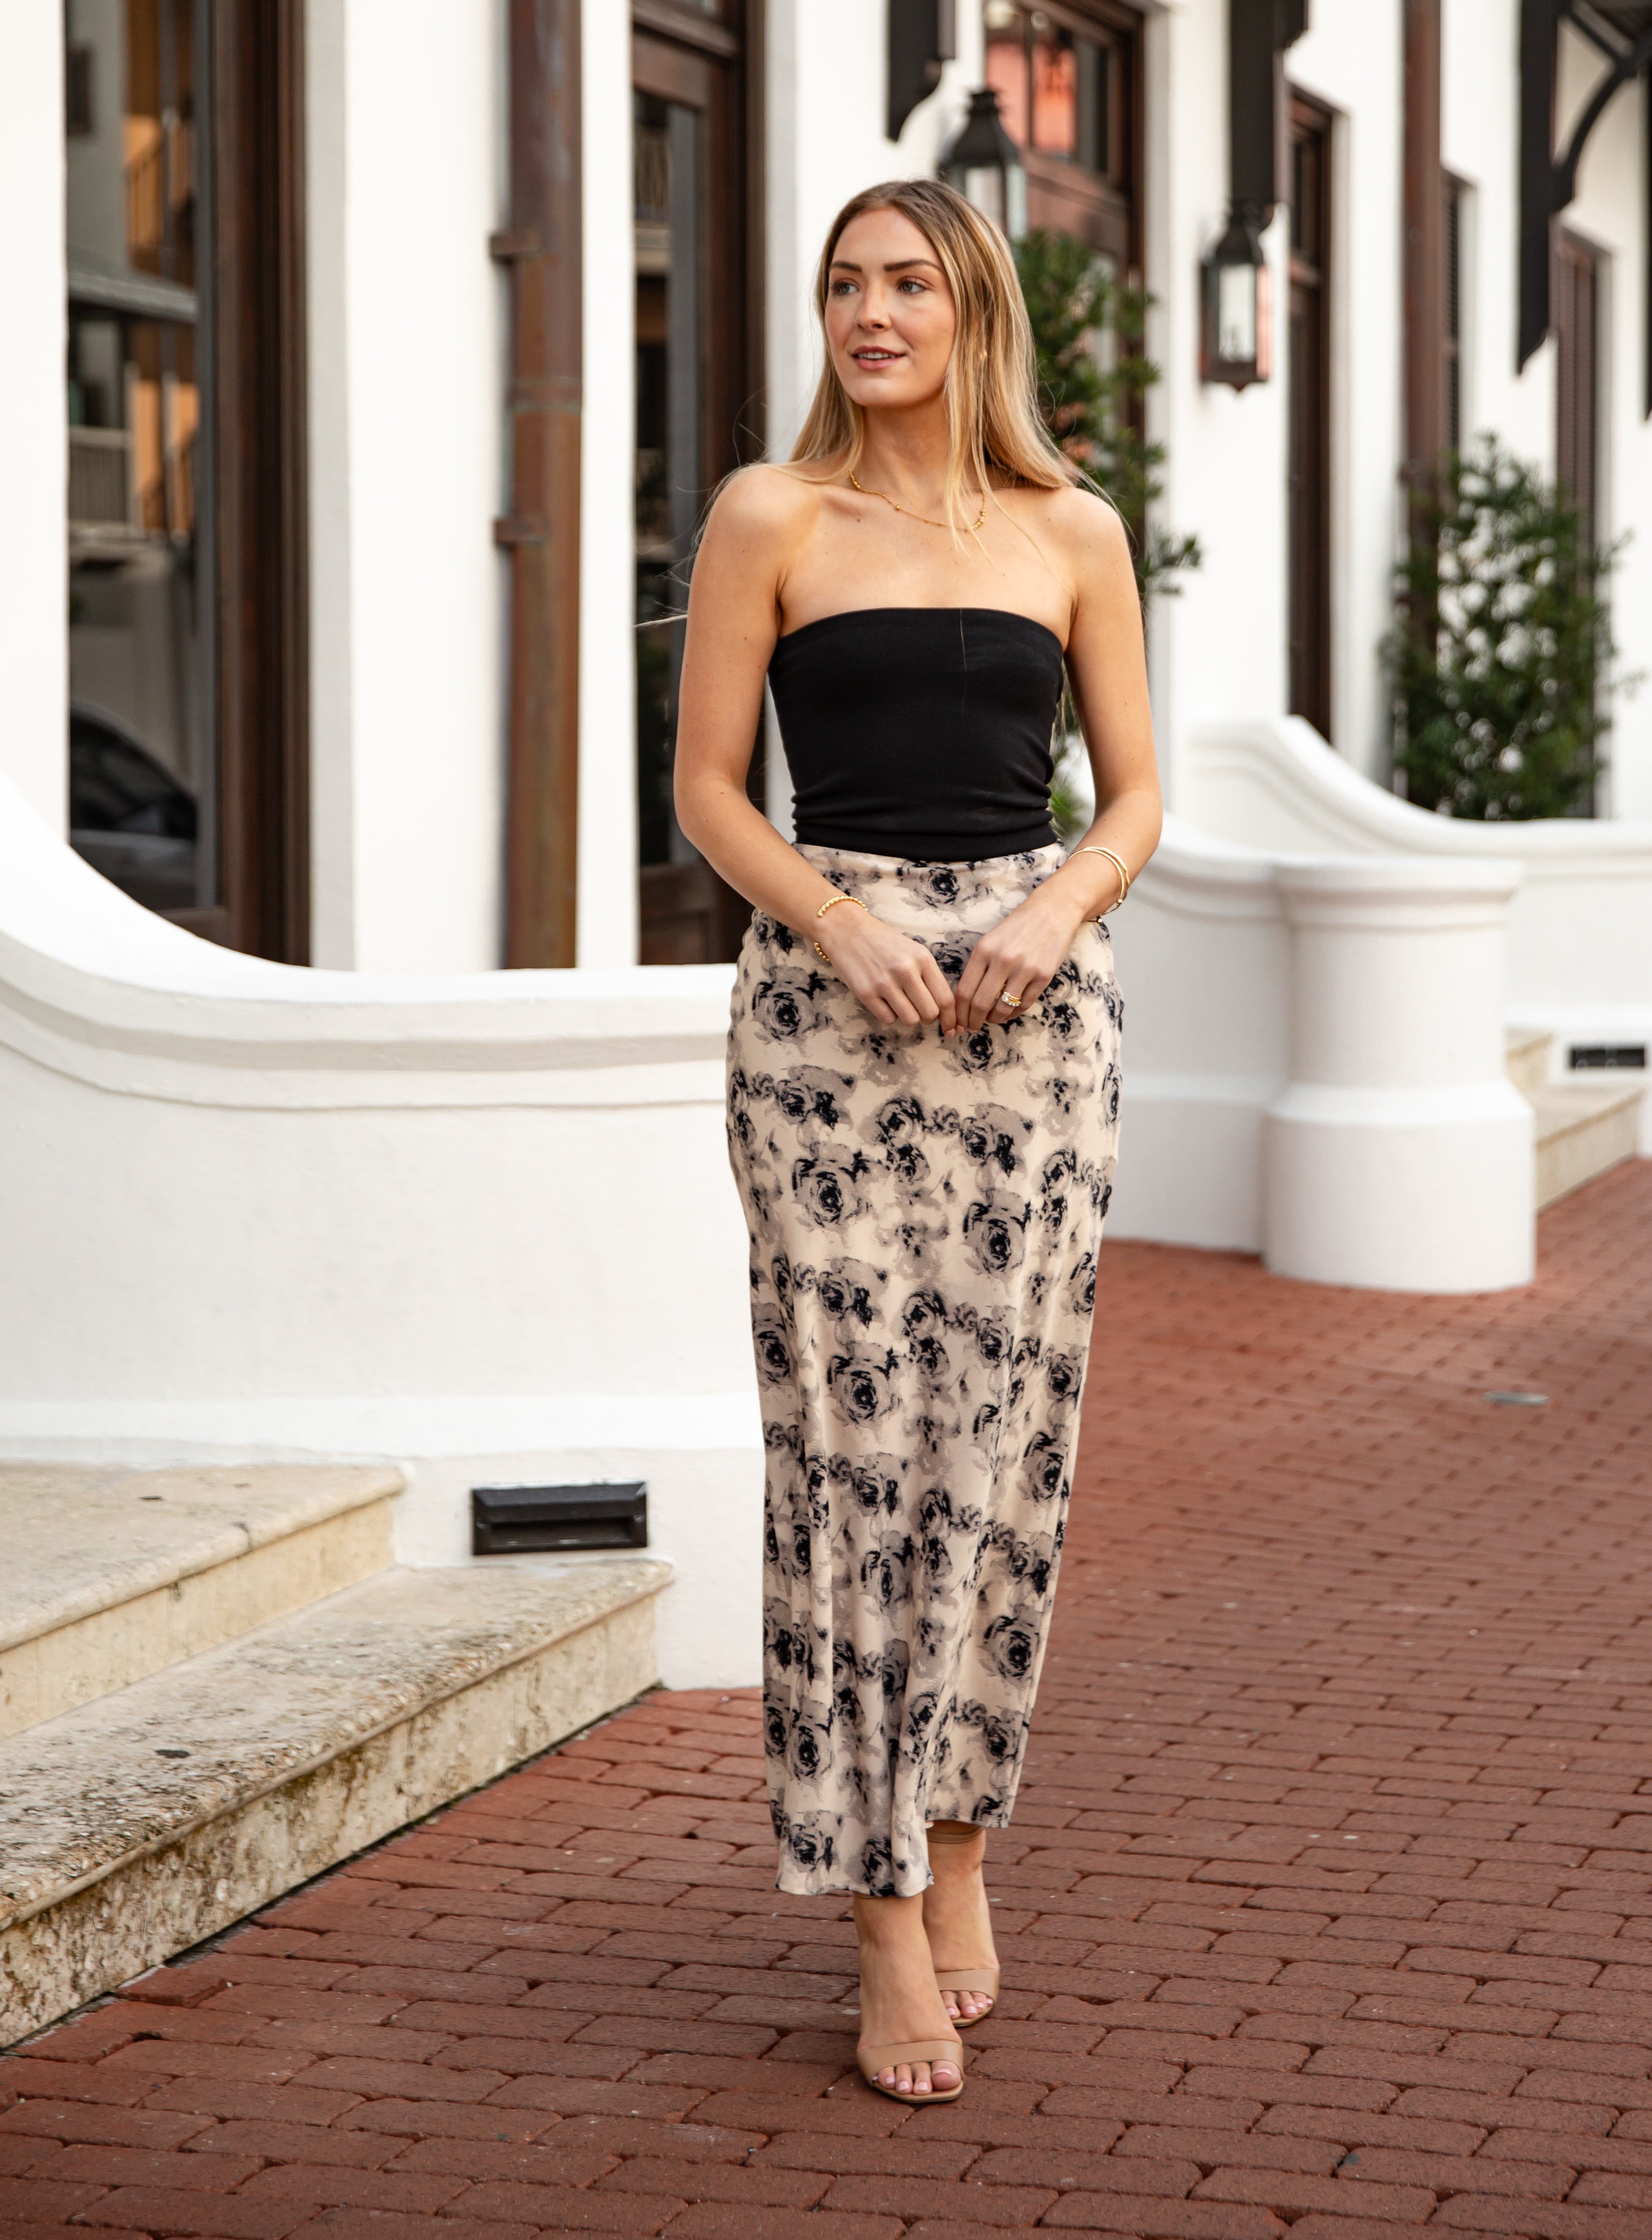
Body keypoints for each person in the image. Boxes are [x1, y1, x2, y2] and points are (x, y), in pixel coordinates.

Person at [672, 178, 1161, 2105]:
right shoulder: (768, 515)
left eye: (905, 284)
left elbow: (1132, 797)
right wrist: (843, 922)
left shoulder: (1073, 531)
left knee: (1001, 1462)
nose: (868, 313)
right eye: (842, 284)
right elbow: (710, 787)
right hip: (826, 1034)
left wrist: (1055, 910)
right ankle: (876, 1910)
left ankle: (962, 1840)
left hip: (1038, 1045)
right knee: (851, 1470)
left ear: (972, 311)